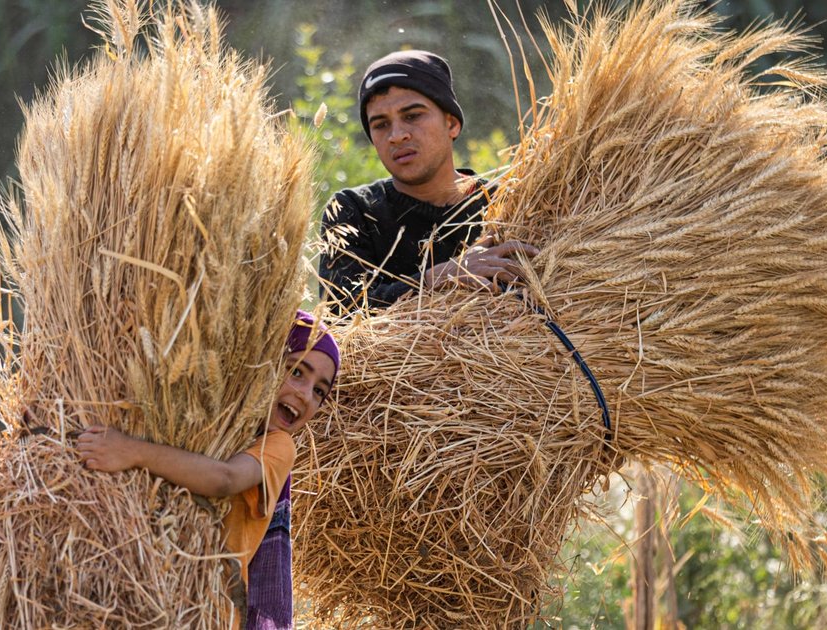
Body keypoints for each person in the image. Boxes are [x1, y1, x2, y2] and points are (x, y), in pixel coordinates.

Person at [75, 310, 341, 629]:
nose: (305, 394)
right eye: (297, 372)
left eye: (320, 391)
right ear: (266, 364)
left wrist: (131, 451)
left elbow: (223, 478)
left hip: (211, 612)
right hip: (148, 583)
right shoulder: (212, 416)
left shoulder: (280, 446)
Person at [319, 49, 539, 313]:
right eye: (380, 125)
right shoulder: (354, 211)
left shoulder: (509, 203)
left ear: (452, 124)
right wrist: (436, 278)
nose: (397, 135)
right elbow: (338, 315)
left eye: (412, 116)